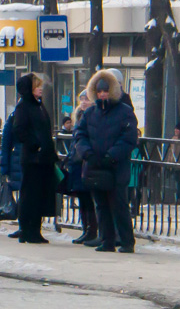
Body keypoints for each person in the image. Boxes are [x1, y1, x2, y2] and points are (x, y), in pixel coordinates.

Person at [73, 68, 139, 253]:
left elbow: (129, 137)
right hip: (94, 164)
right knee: (100, 205)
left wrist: (112, 155)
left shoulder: (124, 111)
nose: (103, 95)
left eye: (106, 91)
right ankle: (107, 240)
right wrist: (88, 154)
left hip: (117, 166)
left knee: (119, 204)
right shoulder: (90, 113)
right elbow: (80, 135)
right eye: (100, 91)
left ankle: (126, 241)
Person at [12, 73, 57, 243]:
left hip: (43, 158)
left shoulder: (39, 105)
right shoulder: (24, 107)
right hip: (32, 158)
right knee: (30, 194)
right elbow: (19, 130)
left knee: (40, 195)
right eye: (37, 86)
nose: (40, 89)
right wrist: (35, 145)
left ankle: (36, 230)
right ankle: (27, 229)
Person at [65, 90, 99, 244]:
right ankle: (85, 228)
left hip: (86, 161)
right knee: (82, 198)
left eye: (87, 99)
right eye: (82, 99)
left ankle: (92, 230)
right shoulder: (79, 116)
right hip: (77, 162)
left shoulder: (93, 116)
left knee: (89, 197)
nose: (84, 102)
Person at [0, 103, 25, 238]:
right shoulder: (14, 117)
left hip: (25, 161)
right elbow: (6, 144)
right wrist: (4, 167)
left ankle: (27, 225)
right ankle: (23, 225)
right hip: (18, 162)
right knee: (23, 194)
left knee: (27, 194)